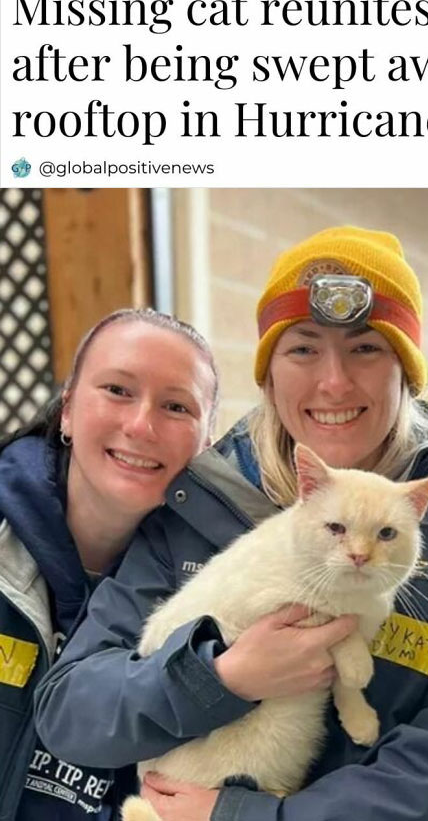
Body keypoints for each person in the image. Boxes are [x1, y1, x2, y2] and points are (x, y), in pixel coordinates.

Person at [35, 226, 428, 821]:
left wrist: (248, 817)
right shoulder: (193, 510)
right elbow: (71, 713)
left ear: (408, 374)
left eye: (367, 348)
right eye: (302, 348)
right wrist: (219, 677)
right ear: (268, 376)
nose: (334, 381)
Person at [0, 308, 218, 821]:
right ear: (69, 409)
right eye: (118, 390)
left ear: (207, 444)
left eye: (176, 406)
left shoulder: (215, 587)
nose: (141, 425)